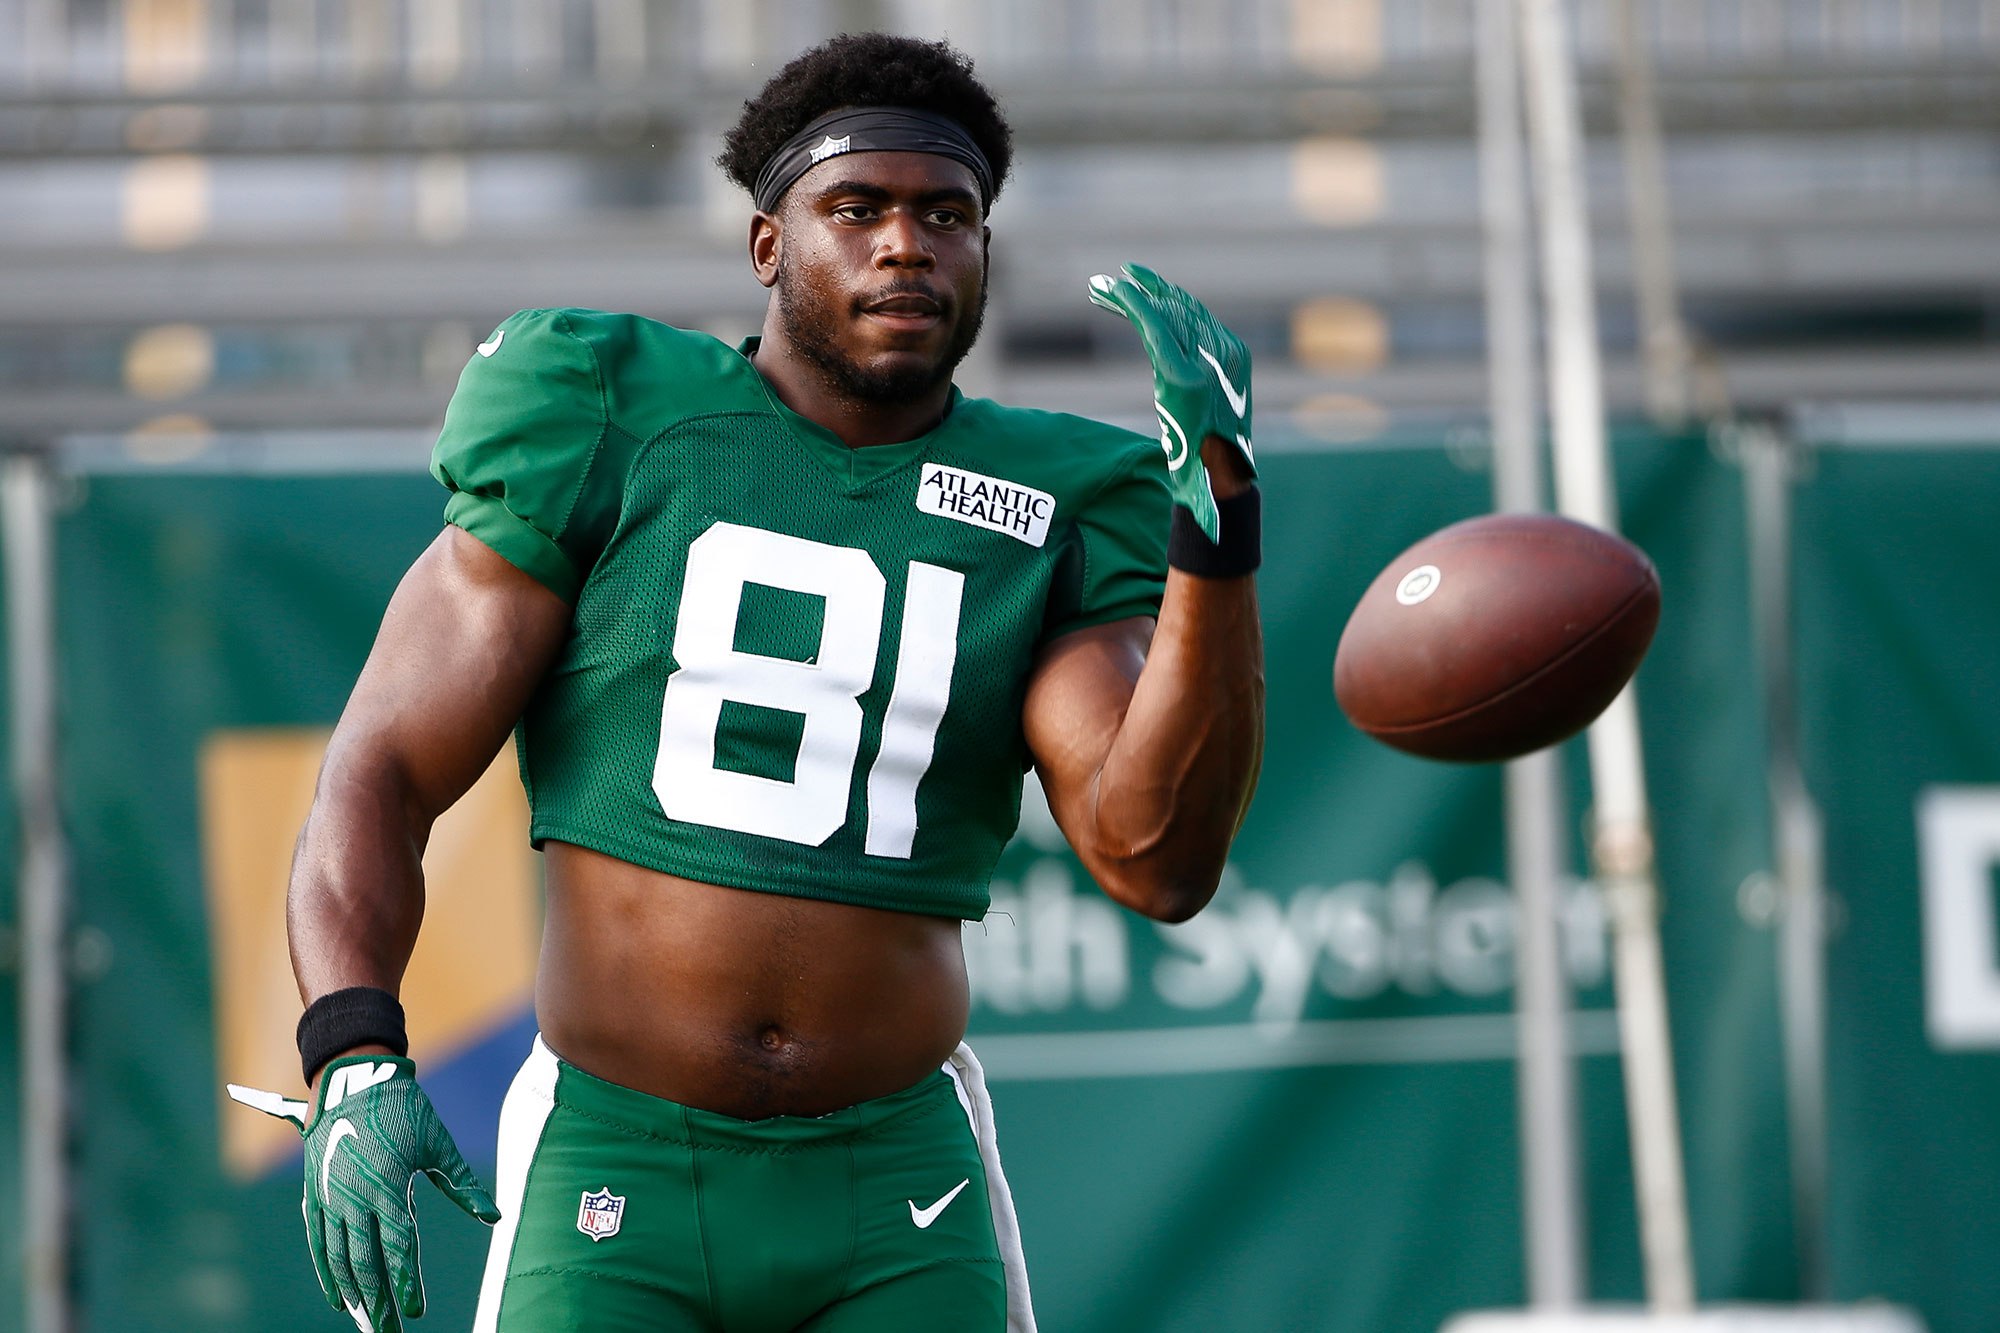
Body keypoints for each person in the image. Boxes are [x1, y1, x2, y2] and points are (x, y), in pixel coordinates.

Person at [230, 30, 1263, 1333]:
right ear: (770, 245)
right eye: (858, 209)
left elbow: (1155, 856)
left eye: (947, 215)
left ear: (986, 252)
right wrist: (352, 1048)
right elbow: (381, 765)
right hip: (618, 1157)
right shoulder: (611, 410)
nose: (907, 245)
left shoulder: (1059, 492)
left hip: (898, 1185)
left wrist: (1218, 530)